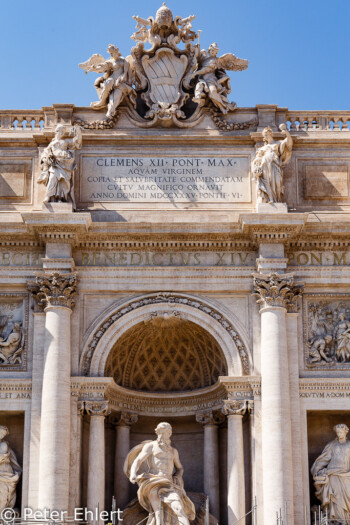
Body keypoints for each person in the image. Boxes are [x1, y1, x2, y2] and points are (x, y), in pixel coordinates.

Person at [124, 422, 195, 525]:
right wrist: (133, 473)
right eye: (160, 432)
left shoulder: (173, 451)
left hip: (169, 483)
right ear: (157, 432)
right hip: (153, 482)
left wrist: (178, 475)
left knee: (179, 509)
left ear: (169, 433)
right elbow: (138, 460)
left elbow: (180, 468)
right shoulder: (151, 446)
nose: (162, 434)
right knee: (159, 515)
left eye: (165, 432)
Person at [311, 423, 350, 522]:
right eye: (337, 432)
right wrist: (317, 470)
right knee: (335, 497)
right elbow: (324, 459)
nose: (339, 434)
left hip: (346, 474)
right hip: (332, 474)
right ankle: (337, 520)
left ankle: (347, 519)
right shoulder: (332, 445)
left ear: (346, 432)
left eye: (341, 432)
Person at [38, 124, 82, 206]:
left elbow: (76, 142)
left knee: (65, 181)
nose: (61, 133)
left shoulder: (65, 142)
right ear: (56, 131)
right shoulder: (52, 143)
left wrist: (78, 131)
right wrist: (45, 158)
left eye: (63, 131)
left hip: (66, 163)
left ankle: (62, 198)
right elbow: (45, 152)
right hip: (55, 163)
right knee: (52, 179)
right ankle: (48, 196)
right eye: (60, 131)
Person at [89, 45, 134, 119]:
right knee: (107, 83)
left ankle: (110, 111)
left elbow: (125, 73)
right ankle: (103, 101)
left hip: (120, 80)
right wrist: (95, 68)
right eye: (110, 54)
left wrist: (121, 79)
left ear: (116, 51)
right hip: (112, 78)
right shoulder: (111, 61)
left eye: (112, 53)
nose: (111, 55)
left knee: (116, 95)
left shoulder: (124, 60)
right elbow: (103, 67)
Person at [251, 124, 293, 204]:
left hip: (275, 166)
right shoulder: (262, 148)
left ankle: (277, 199)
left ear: (271, 134)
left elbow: (289, 144)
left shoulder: (278, 143)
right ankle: (270, 199)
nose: (266, 137)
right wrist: (256, 169)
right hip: (265, 167)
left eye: (267, 134)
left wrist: (286, 133)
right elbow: (256, 160)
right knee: (267, 183)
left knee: (277, 183)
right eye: (264, 135)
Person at [0, 426, 21, 514]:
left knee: (4, 495)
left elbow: (3, 458)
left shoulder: (4, 445)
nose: (1, 435)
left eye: (2, 434)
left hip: (5, 473)